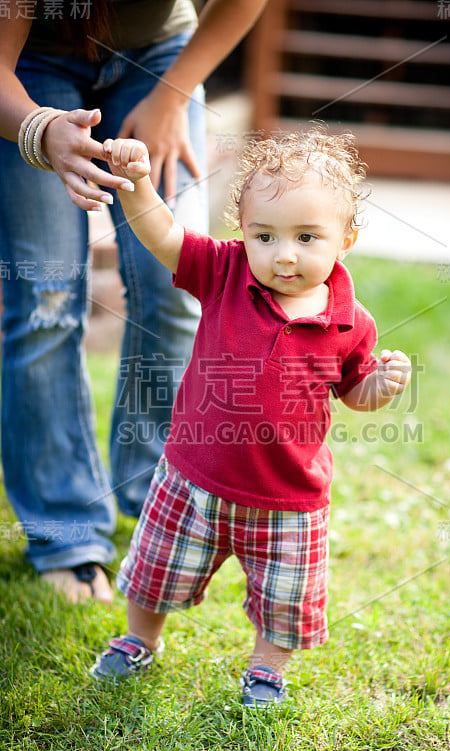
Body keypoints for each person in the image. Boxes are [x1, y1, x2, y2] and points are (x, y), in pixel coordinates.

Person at [89, 127, 412, 706]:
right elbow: (162, 235)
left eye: (306, 237)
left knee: (285, 597)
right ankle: (139, 639)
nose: (283, 254)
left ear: (346, 239)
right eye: (264, 235)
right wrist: (138, 184)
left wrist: (381, 387)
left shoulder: (351, 322)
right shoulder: (226, 272)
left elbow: (355, 392)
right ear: (243, 233)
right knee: (157, 568)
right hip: (195, 476)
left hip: (289, 494)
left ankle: (265, 669)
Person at [0, 0, 268, 603]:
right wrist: (41, 131)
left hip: (160, 56)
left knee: (177, 290)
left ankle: (155, 497)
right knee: (44, 301)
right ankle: (64, 532)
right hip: (31, 71)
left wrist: (174, 96)